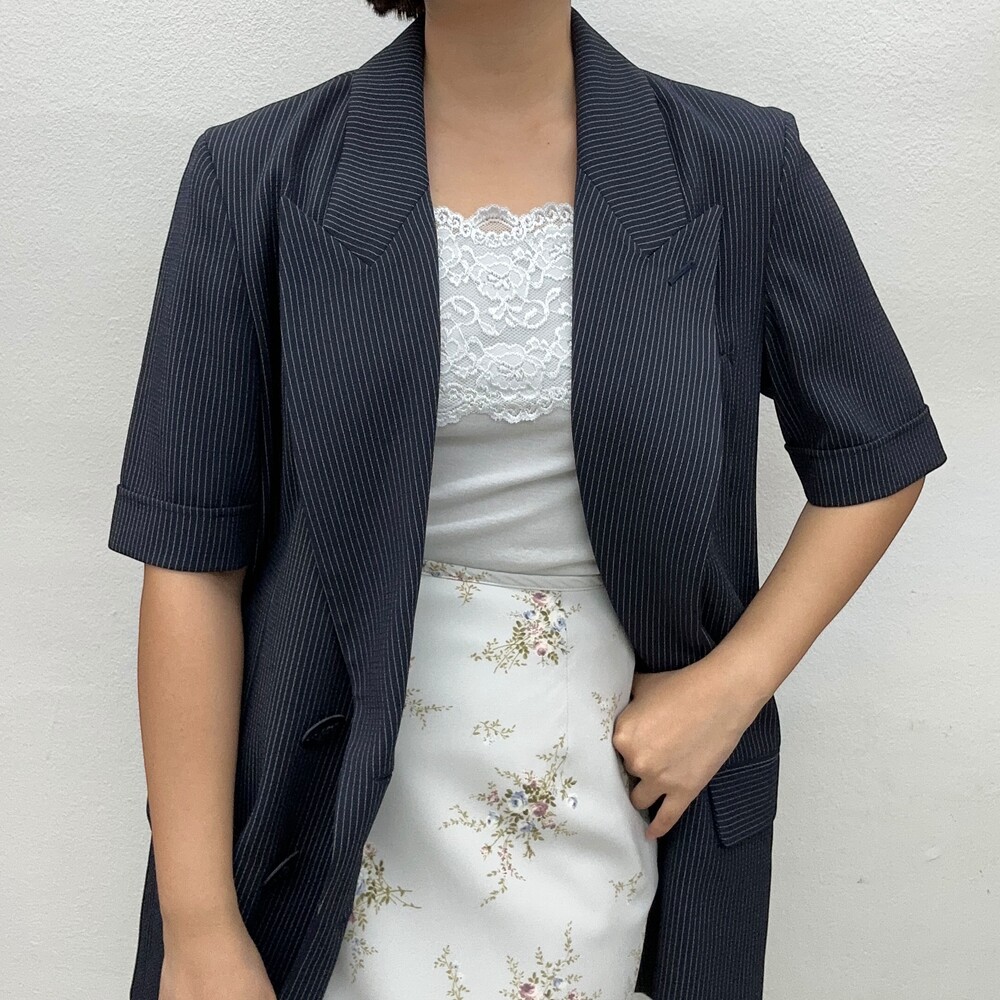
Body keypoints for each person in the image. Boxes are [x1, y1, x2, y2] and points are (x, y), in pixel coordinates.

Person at [107, 3, 948, 999]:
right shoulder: (253, 175)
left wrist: (731, 687)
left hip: (608, 787)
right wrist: (199, 921)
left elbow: (874, 454)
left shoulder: (740, 165)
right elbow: (190, 559)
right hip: (324, 804)